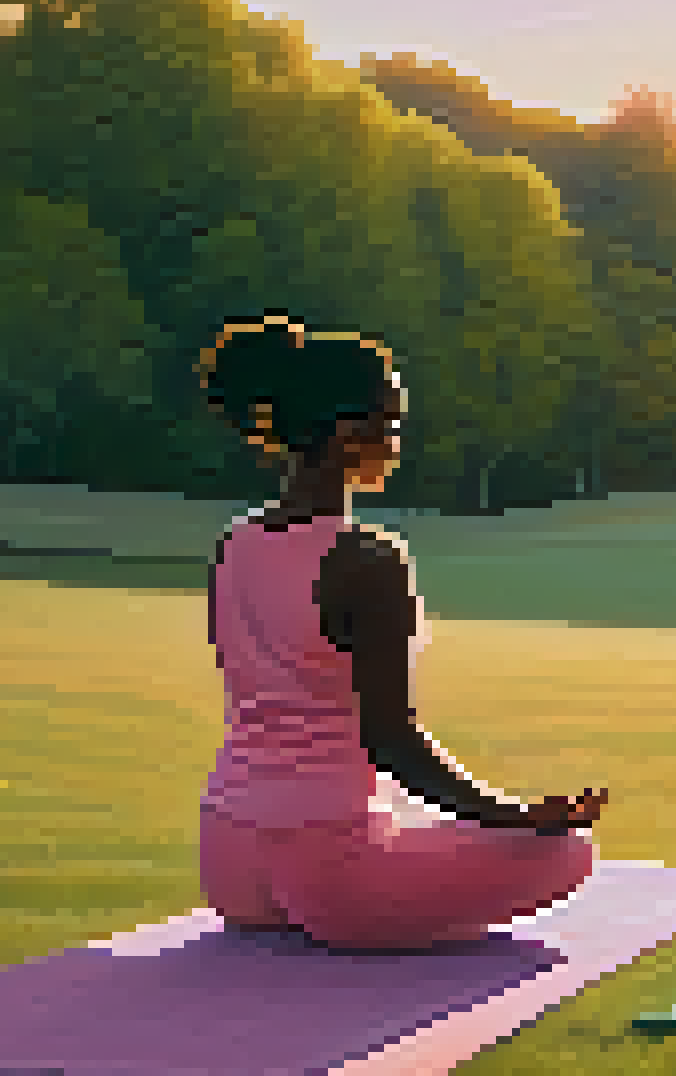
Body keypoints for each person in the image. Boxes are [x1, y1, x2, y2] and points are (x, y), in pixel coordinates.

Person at [193, 312, 607, 951]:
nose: (396, 437)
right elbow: (391, 742)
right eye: (391, 418)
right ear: (349, 433)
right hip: (332, 876)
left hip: (228, 862)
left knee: (400, 813)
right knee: (570, 852)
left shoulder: (235, 545)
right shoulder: (368, 561)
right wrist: (519, 817)